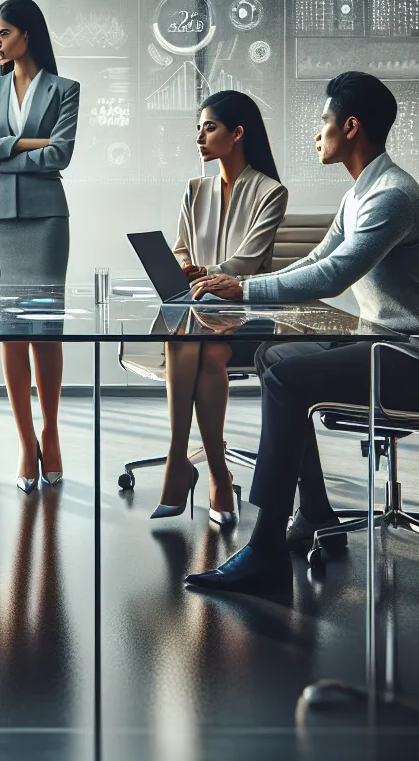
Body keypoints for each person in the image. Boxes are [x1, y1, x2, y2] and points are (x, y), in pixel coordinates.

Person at [183, 72, 419, 592]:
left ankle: (266, 547)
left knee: (289, 378)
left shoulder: (391, 196)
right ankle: (316, 514)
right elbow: (318, 258)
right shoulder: (361, 193)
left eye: (324, 122)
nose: (318, 134)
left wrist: (242, 290)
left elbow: (333, 278)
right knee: (274, 356)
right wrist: (242, 283)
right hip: (390, 347)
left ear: (352, 127)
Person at [0, 0, 80, 493]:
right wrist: (27, 145)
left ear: (27, 35)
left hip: (47, 219)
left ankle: (50, 432)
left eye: (3, 33)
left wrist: (1, 150)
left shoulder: (65, 89)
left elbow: (63, 153)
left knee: (45, 328)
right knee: (9, 327)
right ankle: (24, 438)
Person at [155, 90, 288, 523]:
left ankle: (185, 467)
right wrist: (185, 269)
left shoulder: (271, 192)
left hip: (246, 312)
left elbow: (245, 264)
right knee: (193, 341)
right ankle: (206, 468)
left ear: (237, 133)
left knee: (201, 345)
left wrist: (202, 271)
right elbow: (178, 250)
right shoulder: (195, 189)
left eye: (209, 127)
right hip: (198, 308)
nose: (200, 136)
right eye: (199, 128)